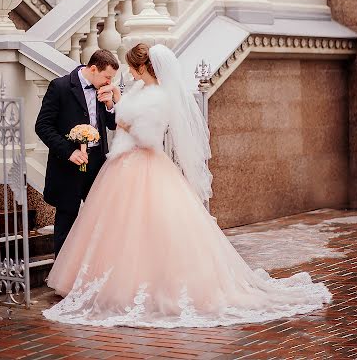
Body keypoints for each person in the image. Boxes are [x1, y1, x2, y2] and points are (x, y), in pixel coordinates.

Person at [43, 43, 331, 328]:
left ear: (143, 67)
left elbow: (148, 137)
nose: (128, 71)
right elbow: (118, 117)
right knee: (117, 230)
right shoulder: (140, 90)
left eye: (132, 66)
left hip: (143, 165)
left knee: (145, 230)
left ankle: (144, 285)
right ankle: (103, 281)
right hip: (121, 165)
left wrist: (122, 118)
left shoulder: (159, 97)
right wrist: (117, 103)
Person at [35, 49, 119, 257]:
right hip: (68, 168)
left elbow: (111, 124)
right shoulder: (60, 87)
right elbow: (43, 126)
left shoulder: (103, 89)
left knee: (99, 220)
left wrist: (110, 104)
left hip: (97, 165)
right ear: (93, 69)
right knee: (66, 221)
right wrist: (68, 152)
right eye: (107, 77)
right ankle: (62, 277)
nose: (109, 82)